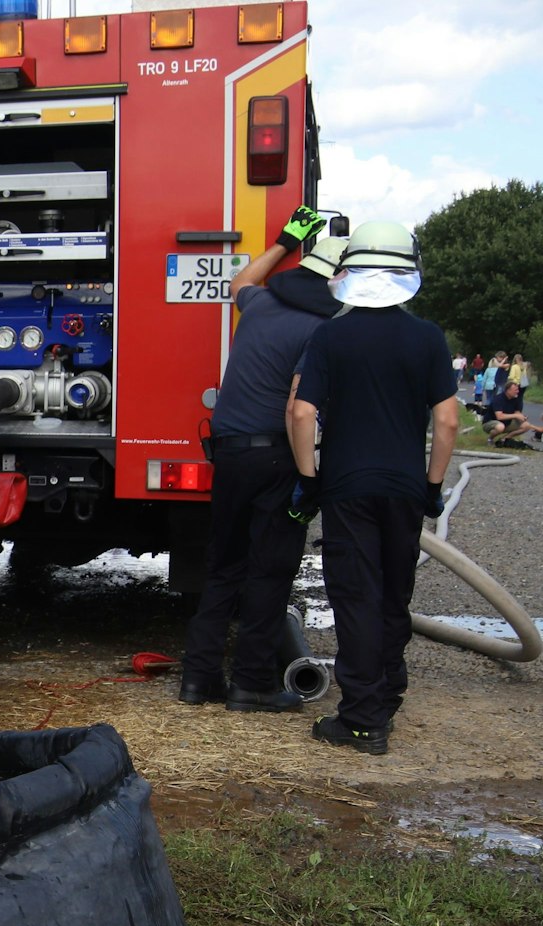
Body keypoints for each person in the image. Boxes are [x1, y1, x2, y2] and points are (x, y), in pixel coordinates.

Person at [285, 220, 459, 755]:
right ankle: (387, 694)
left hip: (347, 489)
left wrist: (307, 482)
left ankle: (361, 721)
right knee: (391, 594)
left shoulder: (331, 336)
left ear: (349, 271)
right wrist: (432, 487)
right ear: (409, 270)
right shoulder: (428, 337)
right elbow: (448, 421)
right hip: (406, 489)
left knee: (356, 597)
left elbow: (300, 410)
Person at [178, 210, 343, 711]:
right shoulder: (323, 328)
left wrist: (282, 242)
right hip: (275, 456)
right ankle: (251, 684)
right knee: (270, 571)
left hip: (228, 452)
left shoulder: (264, 302)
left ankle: (198, 680)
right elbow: (299, 408)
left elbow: (240, 280)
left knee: (223, 567)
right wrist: (308, 479)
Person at [480, 379, 543, 447]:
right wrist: (516, 416)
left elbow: (517, 413)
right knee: (500, 427)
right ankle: (490, 439)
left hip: (506, 423)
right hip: (490, 423)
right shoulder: (499, 399)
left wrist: (522, 417)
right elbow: (499, 416)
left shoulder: (516, 399)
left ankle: (504, 439)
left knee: (526, 425)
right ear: (508, 390)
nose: (517, 392)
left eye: (518, 390)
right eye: (515, 390)